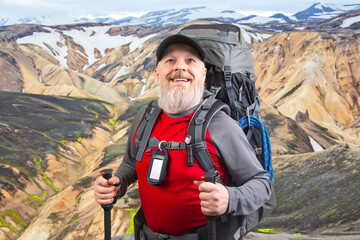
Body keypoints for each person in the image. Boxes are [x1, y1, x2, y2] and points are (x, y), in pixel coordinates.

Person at [94, 34, 273, 240]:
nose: (180, 67)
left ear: (203, 73)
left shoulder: (220, 125)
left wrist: (229, 198)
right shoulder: (145, 117)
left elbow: (261, 183)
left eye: (190, 60)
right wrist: (117, 184)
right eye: (170, 60)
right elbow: (131, 163)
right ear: (157, 73)